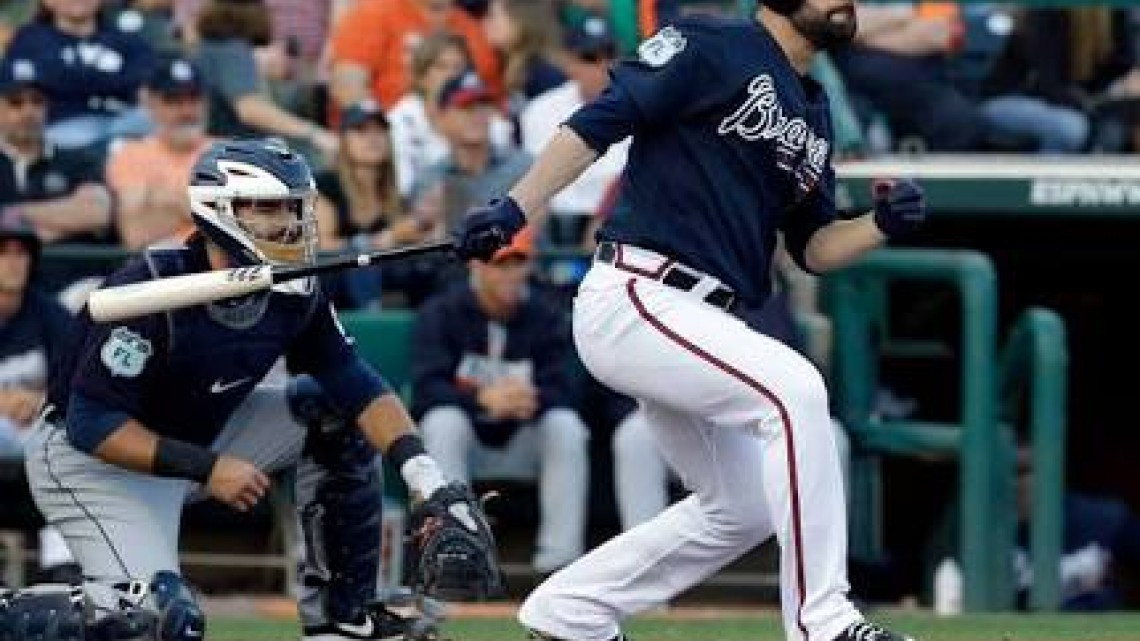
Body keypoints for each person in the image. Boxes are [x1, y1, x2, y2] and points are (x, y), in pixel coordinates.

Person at [451, 0, 929, 639]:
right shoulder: (710, 42)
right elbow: (597, 124)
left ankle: (569, 611)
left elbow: (812, 248)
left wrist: (879, 225)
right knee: (796, 391)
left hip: (702, 316)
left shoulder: (814, 109)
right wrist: (515, 207)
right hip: (639, 290)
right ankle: (824, 621)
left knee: (743, 506)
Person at [3, 138, 500, 641]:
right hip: (91, 463)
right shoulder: (147, 289)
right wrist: (210, 468)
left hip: (197, 434)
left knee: (331, 410)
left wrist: (426, 478)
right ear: (218, 211)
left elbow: (357, 384)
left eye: (292, 208)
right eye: (267, 208)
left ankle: (342, 618)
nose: (286, 223)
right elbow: (92, 424)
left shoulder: (295, 287)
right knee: (159, 622)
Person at [412, 227, 589, 574]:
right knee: (443, 422)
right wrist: (482, 398)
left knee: (565, 427)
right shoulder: (442, 312)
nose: (509, 273)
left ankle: (561, 561)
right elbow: (426, 389)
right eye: (499, 264)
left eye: (517, 263)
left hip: (523, 439)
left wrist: (531, 398)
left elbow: (566, 390)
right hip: (465, 446)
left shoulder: (545, 314)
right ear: (476, 266)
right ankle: (455, 556)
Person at [0, 221, 78, 584]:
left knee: (74, 441)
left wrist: (41, 399)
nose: (13, 262)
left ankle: (62, 567)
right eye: (3, 253)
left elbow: (79, 379)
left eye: (21, 253)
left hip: (37, 424)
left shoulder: (47, 311)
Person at [315, 100, 438, 309]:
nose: (373, 138)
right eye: (361, 130)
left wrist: (425, 229)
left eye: (380, 130)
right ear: (344, 140)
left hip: (386, 284)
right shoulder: (326, 185)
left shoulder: (397, 195)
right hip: (336, 286)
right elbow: (321, 248)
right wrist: (385, 239)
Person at [192, 0, 337, 160]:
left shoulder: (212, 47)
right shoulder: (232, 51)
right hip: (234, 154)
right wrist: (314, 133)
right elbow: (250, 109)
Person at [4, 0, 155, 150]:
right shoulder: (30, 39)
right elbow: (23, 83)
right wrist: (111, 80)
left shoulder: (126, 37)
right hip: (65, 122)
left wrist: (68, 78)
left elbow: (146, 78)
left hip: (126, 117)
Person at [0, 56, 112, 246]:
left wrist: (14, 213)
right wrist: (62, 219)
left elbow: (96, 213)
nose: (28, 112)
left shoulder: (78, 160)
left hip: (71, 263)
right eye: (16, 102)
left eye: (37, 101)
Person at [106, 56, 214, 250]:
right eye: (173, 100)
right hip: (162, 260)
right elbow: (135, 233)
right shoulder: (131, 155)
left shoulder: (227, 151)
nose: (186, 111)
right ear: (152, 105)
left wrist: (163, 198)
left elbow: (244, 223)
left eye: (193, 99)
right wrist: (208, 207)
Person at [388, 32, 514, 199]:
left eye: (458, 67)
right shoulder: (400, 120)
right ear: (421, 76)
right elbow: (402, 187)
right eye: (441, 67)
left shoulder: (491, 120)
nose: (451, 74)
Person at [329, 0, 502, 111]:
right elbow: (348, 89)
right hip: (384, 137)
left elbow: (493, 103)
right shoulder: (373, 14)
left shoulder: (474, 32)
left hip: (457, 141)